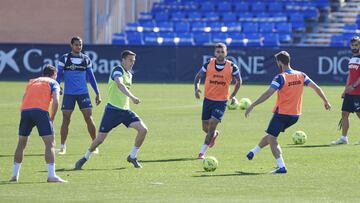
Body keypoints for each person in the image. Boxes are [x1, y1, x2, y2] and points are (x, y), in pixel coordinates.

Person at [245, 51, 331, 174]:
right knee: (271, 135)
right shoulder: (301, 75)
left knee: (272, 138)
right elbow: (316, 87)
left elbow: (268, 93)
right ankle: (253, 151)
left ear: (279, 62)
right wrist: (326, 101)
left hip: (282, 114)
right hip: (295, 115)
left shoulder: (280, 77)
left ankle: (281, 167)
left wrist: (253, 105)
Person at [74, 50, 148, 169]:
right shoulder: (117, 70)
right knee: (100, 140)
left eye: (133, 61)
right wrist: (132, 97)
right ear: (123, 60)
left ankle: (132, 156)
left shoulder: (130, 74)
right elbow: (119, 84)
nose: (132, 63)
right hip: (112, 111)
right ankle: (85, 158)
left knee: (143, 130)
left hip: (125, 111)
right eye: (130, 60)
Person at [10, 65, 66, 183]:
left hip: (25, 111)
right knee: (50, 143)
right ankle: (51, 176)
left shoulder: (32, 81)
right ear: (54, 74)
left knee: (21, 143)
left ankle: (14, 175)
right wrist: (52, 117)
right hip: (40, 111)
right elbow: (56, 100)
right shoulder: (53, 82)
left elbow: (24, 97)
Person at [194, 43, 242, 159]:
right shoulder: (208, 64)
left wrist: (233, 95)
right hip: (208, 100)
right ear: (215, 53)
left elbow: (239, 81)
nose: (220, 54)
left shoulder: (232, 67)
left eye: (222, 52)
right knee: (205, 127)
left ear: (226, 53)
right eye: (218, 52)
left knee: (211, 126)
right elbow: (198, 77)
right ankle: (214, 135)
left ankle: (202, 152)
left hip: (221, 102)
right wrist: (196, 88)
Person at [56, 36, 101, 155]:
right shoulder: (64, 58)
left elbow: (91, 78)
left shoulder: (86, 59)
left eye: (80, 45)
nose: (78, 47)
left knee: (89, 118)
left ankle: (94, 145)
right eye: (76, 45)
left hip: (83, 94)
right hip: (69, 94)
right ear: (71, 45)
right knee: (66, 119)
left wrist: (97, 93)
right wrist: (57, 85)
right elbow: (59, 75)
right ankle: (62, 146)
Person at [331, 36, 360, 145]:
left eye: (356, 45)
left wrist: (353, 86)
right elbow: (350, 75)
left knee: (359, 114)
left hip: (358, 92)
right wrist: (345, 90)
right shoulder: (352, 58)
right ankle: (344, 138)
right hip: (350, 92)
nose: (354, 47)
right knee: (344, 114)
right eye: (352, 45)